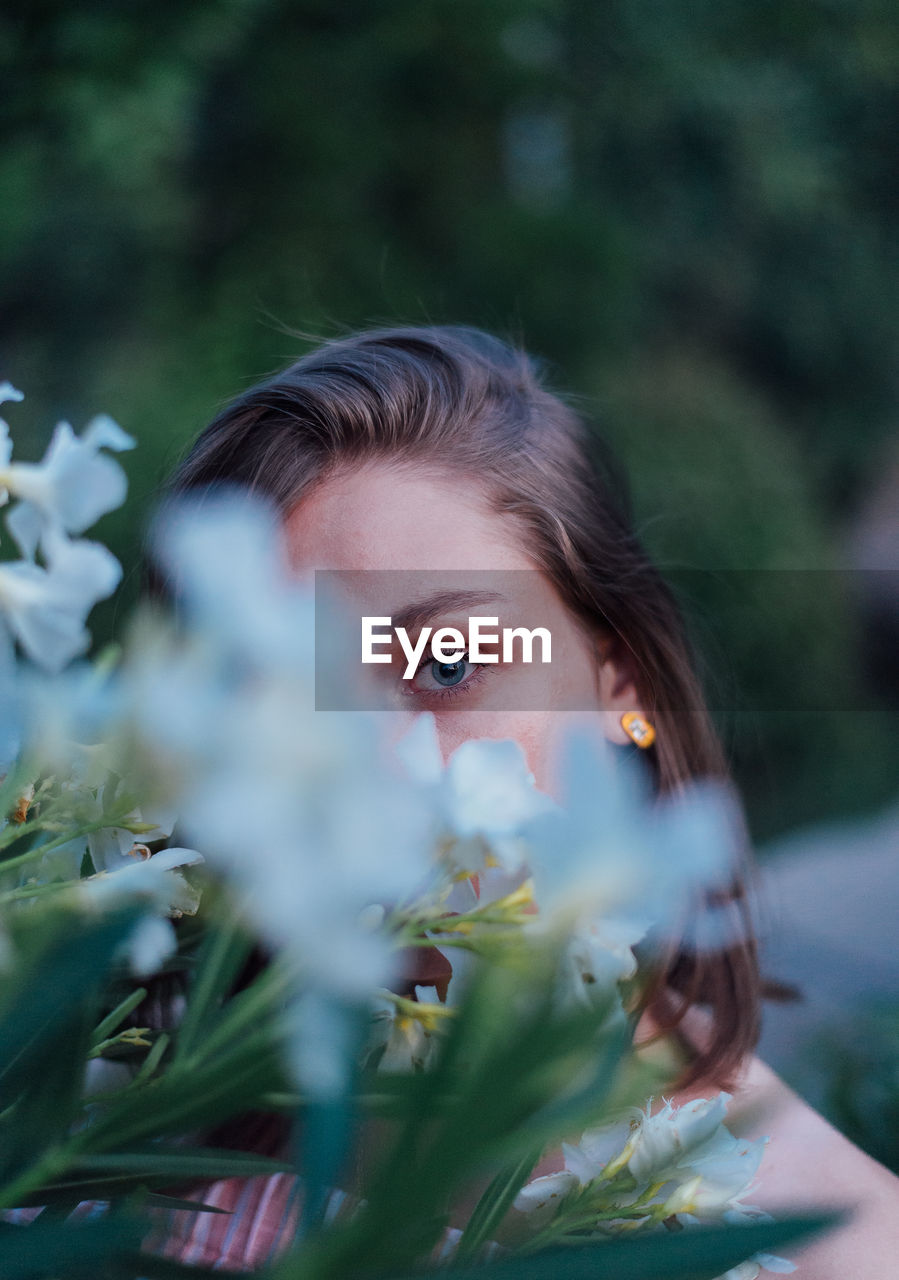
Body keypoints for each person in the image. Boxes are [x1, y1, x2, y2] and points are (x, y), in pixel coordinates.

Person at [148, 325, 899, 1274]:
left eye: (450, 663)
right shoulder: (109, 1143)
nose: (382, 771)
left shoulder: (846, 1248)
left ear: (623, 687)